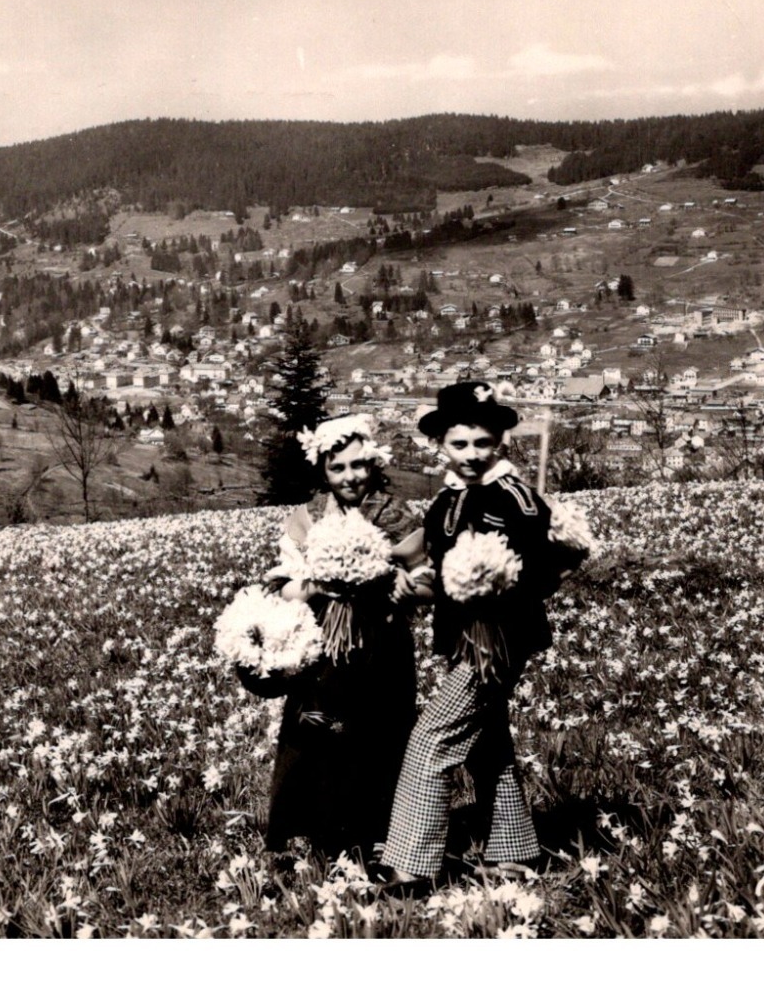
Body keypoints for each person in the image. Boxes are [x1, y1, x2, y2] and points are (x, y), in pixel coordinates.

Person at [376, 382, 583, 892]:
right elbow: (438, 570)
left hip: (499, 639)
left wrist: (498, 585)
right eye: (460, 444)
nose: (471, 454)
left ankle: (411, 866)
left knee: (431, 739)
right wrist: (413, 585)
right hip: (459, 637)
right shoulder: (446, 501)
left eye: (482, 443)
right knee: (487, 740)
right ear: (441, 445)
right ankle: (514, 851)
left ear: (501, 442)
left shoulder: (517, 499)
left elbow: (540, 572)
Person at [237, 413, 429, 864]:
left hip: (380, 644)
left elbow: (426, 583)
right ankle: (305, 833)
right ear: (322, 470)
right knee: (314, 730)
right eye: (337, 467)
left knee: (379, 733)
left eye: (358, 465)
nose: (349, 476)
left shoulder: (395, 515)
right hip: (319, 644)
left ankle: (377, 835)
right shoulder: (306, 518)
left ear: (373, 464)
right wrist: (323, 584)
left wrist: (400, 584)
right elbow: (283, 583)